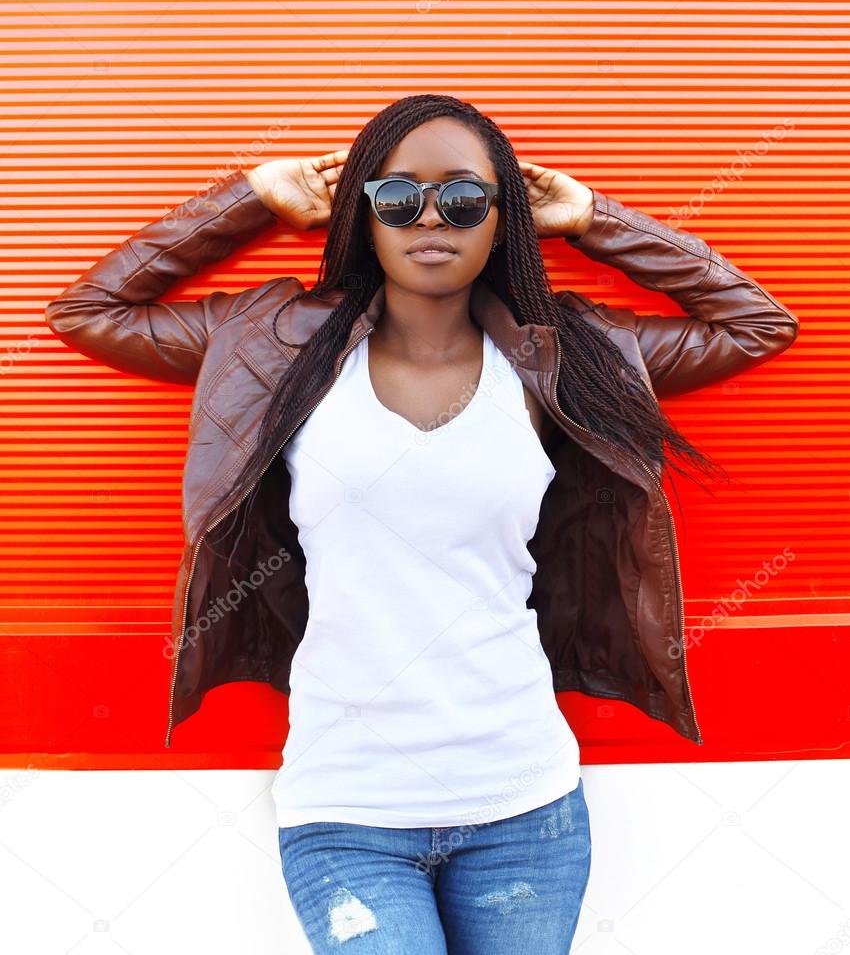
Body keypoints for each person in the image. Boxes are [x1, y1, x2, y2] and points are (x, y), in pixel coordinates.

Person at [44, 93, 800, 954]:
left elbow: (757, 321)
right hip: (347, 810)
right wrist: (249, 199)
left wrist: (592, 218)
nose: (430, 217)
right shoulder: (275, 343)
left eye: (466, 199)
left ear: (502, 219)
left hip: (525, 807)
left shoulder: (567, 353)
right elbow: (88, 312)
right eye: (397, 196)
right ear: (362, 214)